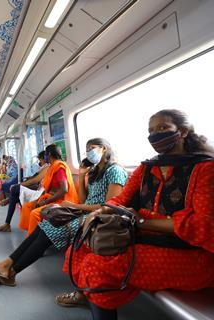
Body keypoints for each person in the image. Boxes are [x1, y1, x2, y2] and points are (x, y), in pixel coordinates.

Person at [62, 109, 214, 320]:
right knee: (77, 249)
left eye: (163, 128)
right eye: (151, 130)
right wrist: (101, 211)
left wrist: (142, 221)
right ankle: (89, 294)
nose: (155, 135)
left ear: (183, 132)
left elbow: (204, 225)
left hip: (190, 253)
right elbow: (119, 201)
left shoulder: (205, 168)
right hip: (146, 239)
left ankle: (94, 296)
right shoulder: (147, 168)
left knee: (98, 266)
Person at [0, 138, 127, 287]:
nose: (89, 153)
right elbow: (83, 199)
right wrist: (81, 176)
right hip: (83, 211)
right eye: (87, 150)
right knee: (42, 227)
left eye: (92, 148)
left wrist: (74, 207)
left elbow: (109, 207)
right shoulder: (95, 171)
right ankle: (6, 264)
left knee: (49, 232)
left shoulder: (115, 171)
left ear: (104, 149)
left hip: (97, 217)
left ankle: (11, 273)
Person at [19, 144, 79, 235]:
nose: (45, 157)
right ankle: (31, 233)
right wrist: (38, 200)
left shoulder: (59, 167)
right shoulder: (52, 167)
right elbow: (47, 187)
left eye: (46, 154)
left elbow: (64, 190)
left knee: (35, 213)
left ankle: (32, 238)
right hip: (51, 197)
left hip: (63, 201)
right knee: (27, 206)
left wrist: (45, 201)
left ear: (49, 154)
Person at [0, 150, 50, 232]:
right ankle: (7, 222)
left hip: (41, 192)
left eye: (40, 160)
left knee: (14, 190)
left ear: (44, 159)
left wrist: (20, 185)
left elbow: (36, 180)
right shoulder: (43, 168)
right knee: (15, 195)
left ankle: (7, 220)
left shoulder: (48, 167)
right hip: (38, 189)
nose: (39, 162)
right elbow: (34, 178)